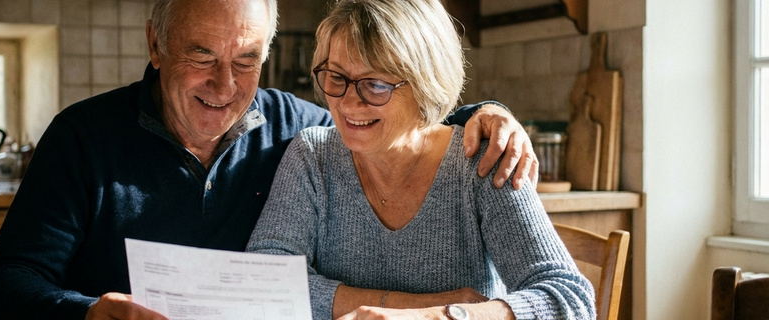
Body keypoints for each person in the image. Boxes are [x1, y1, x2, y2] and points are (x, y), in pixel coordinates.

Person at [0, 0, 537, 319]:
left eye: (246, 60)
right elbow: (1, 288)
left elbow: (391, 114)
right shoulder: (82, 138)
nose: (225, 84)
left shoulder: (300, 129)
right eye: (201, 55)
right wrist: (90, 314)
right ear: (155, 45)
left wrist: (483, 114)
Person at [246, 0, 595, 319]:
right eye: (337, 77)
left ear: (426, 83)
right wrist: (413, 306)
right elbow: (264, 280)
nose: (349, 103)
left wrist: (443, 317)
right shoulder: (314, 155)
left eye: (376, 84)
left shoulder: (480, 162)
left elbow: (571, 299)